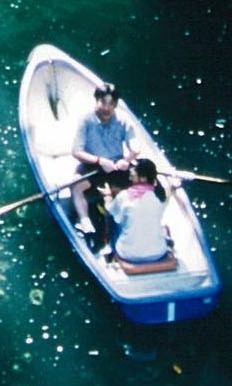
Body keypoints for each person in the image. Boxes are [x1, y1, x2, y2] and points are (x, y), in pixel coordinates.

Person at [69, 82, 137, 240]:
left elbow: (135, 148)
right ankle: (85, 221)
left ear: (116, 104)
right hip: (94, 166)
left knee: (142, 179)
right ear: (97, 100)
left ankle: (133, 215)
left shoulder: (123, 120)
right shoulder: (86, 120)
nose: (107, 108)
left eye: (111, 104)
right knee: (76, 185)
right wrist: (100, 161)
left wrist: (127, 160)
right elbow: (76, 151)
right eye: (103, 103)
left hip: (117, 166)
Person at [104, 158, 170, 264]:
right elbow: (167, 194)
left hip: (128, 254)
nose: (130, 171)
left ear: (143, 178)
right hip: (159, 253)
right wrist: (174, 187)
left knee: (111, 217)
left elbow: (110, 209)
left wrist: (107, 197)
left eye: (134, 170)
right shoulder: (159, 196)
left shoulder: (124, 196)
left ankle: (108, 247)